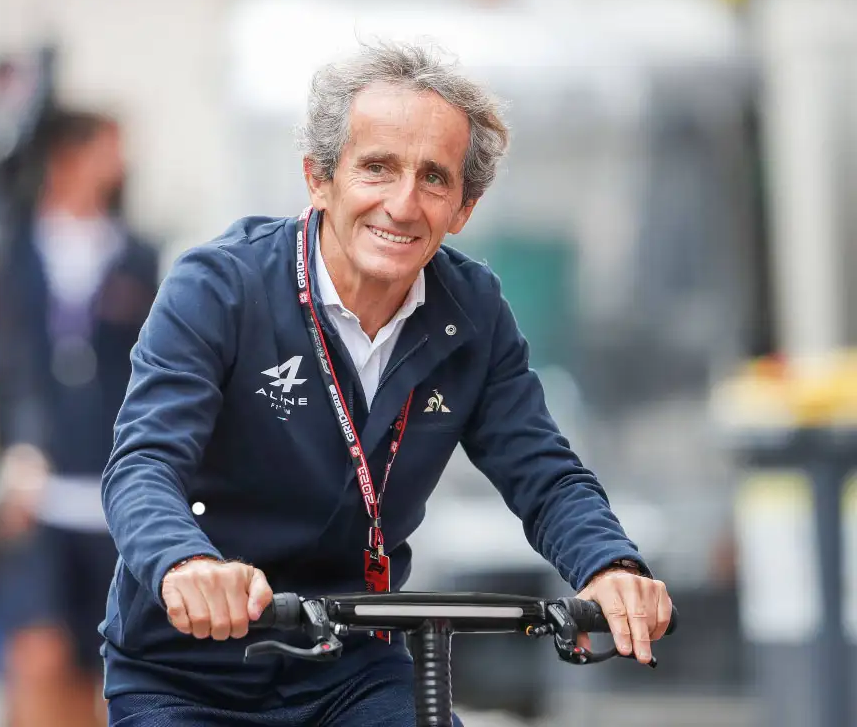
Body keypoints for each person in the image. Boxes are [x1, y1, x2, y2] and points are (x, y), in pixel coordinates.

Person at [99, 41, 674, 726]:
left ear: (464, 207)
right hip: (187, 670)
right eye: (377, 167)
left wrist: (610, 566)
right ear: (319, 178)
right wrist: (185, 566)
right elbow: (143, 465)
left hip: (352, 667)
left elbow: (544, 474)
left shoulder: (474, 312)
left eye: (434, 178)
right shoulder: (220, 289)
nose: (403, 204)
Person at [0, 110, 159, 727]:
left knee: (100, 672)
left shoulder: (138, 255)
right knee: (35, 657)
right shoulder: (10, 249)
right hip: (32, 489)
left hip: (112, 491)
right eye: (108, 151)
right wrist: (5, 455)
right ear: (68, 157)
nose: (121, 166)